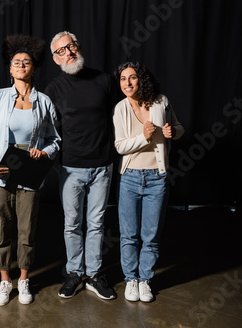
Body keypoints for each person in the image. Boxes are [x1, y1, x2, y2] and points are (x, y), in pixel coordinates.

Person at [0, 35, 61, 306]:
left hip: (30, 170)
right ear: (10, 68)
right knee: (1, 226)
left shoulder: (45, 101)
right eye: (16, 62)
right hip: (2, 167)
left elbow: (55, 139)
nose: (20, 66)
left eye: (26, 62)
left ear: (33, 68)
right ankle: (5, 281)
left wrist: (45, 151)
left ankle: (24, 279)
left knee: (27, 228)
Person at [45, 31, 116, 300]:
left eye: (71, 46)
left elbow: (117, 117)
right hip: (70, 167)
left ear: (79, 46)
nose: (68, 52)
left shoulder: (103, 80)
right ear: (55, 58)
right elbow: (49, 130)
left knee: (96, 223)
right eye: (61, 51)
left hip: (102, 165)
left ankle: (94, 274)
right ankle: (75, 272)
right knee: (72, 224)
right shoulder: (54, 89)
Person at [113, 61, 184, 302]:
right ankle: (130, 279)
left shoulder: (160, 101)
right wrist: (143, 137)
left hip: (157, 178)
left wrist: (173, 132)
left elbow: (178, 127)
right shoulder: (120, 109)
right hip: (130, 177)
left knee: (151, 235)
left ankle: (145, 280)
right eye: (123, 79)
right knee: (129, 235)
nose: (127, 83)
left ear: (141, 80)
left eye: (132, 78)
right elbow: (120, 146)